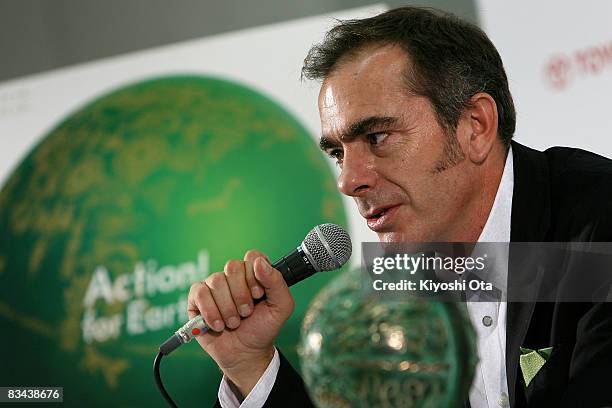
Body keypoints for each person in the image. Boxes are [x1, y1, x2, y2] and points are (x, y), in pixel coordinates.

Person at [187, 7, 612, 408]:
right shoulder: (394, 293)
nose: (349, 181)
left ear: (475, 126)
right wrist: (249, 365)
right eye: (338, 153)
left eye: (377, 137)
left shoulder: (600, 224)